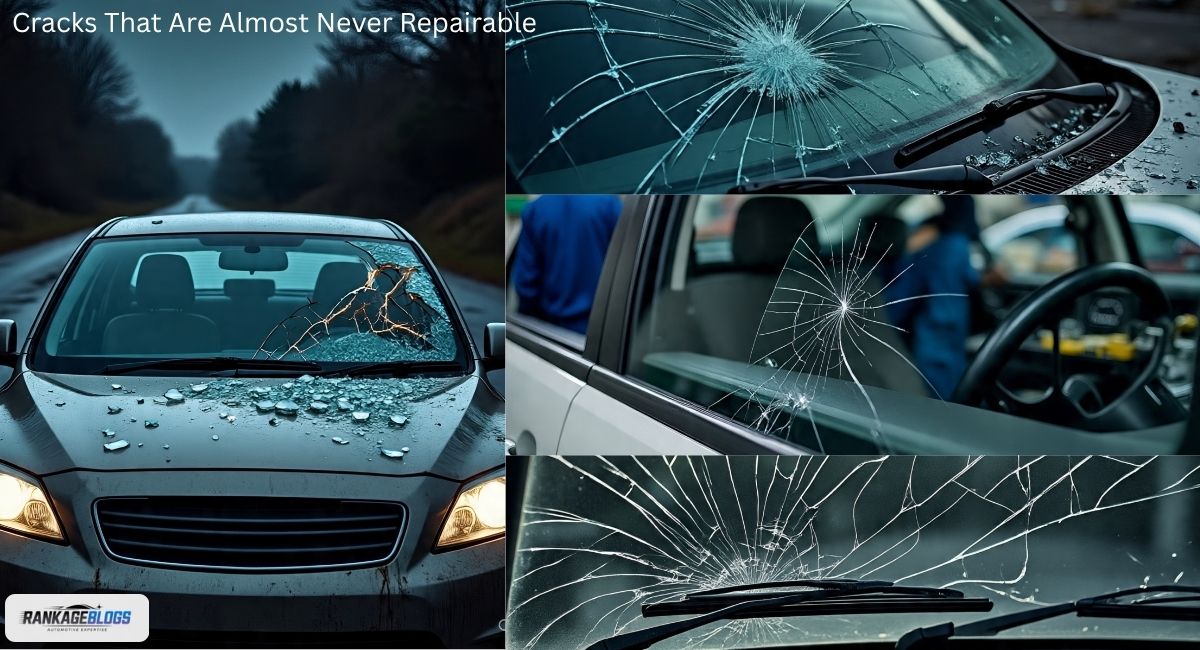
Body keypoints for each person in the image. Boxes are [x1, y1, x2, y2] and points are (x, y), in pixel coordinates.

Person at [885, 197, 982, 399]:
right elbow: (971, 279)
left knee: (937, 392)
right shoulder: (959, 245)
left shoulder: (933, 247)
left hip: (934, 334)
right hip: (951, 332)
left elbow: (901, 297)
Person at [511, 194, 623, 334]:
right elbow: (627, 268)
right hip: (603, 333)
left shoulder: (536, 210)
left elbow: (526, 285)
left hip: (551, 331)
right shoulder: (609, 204)